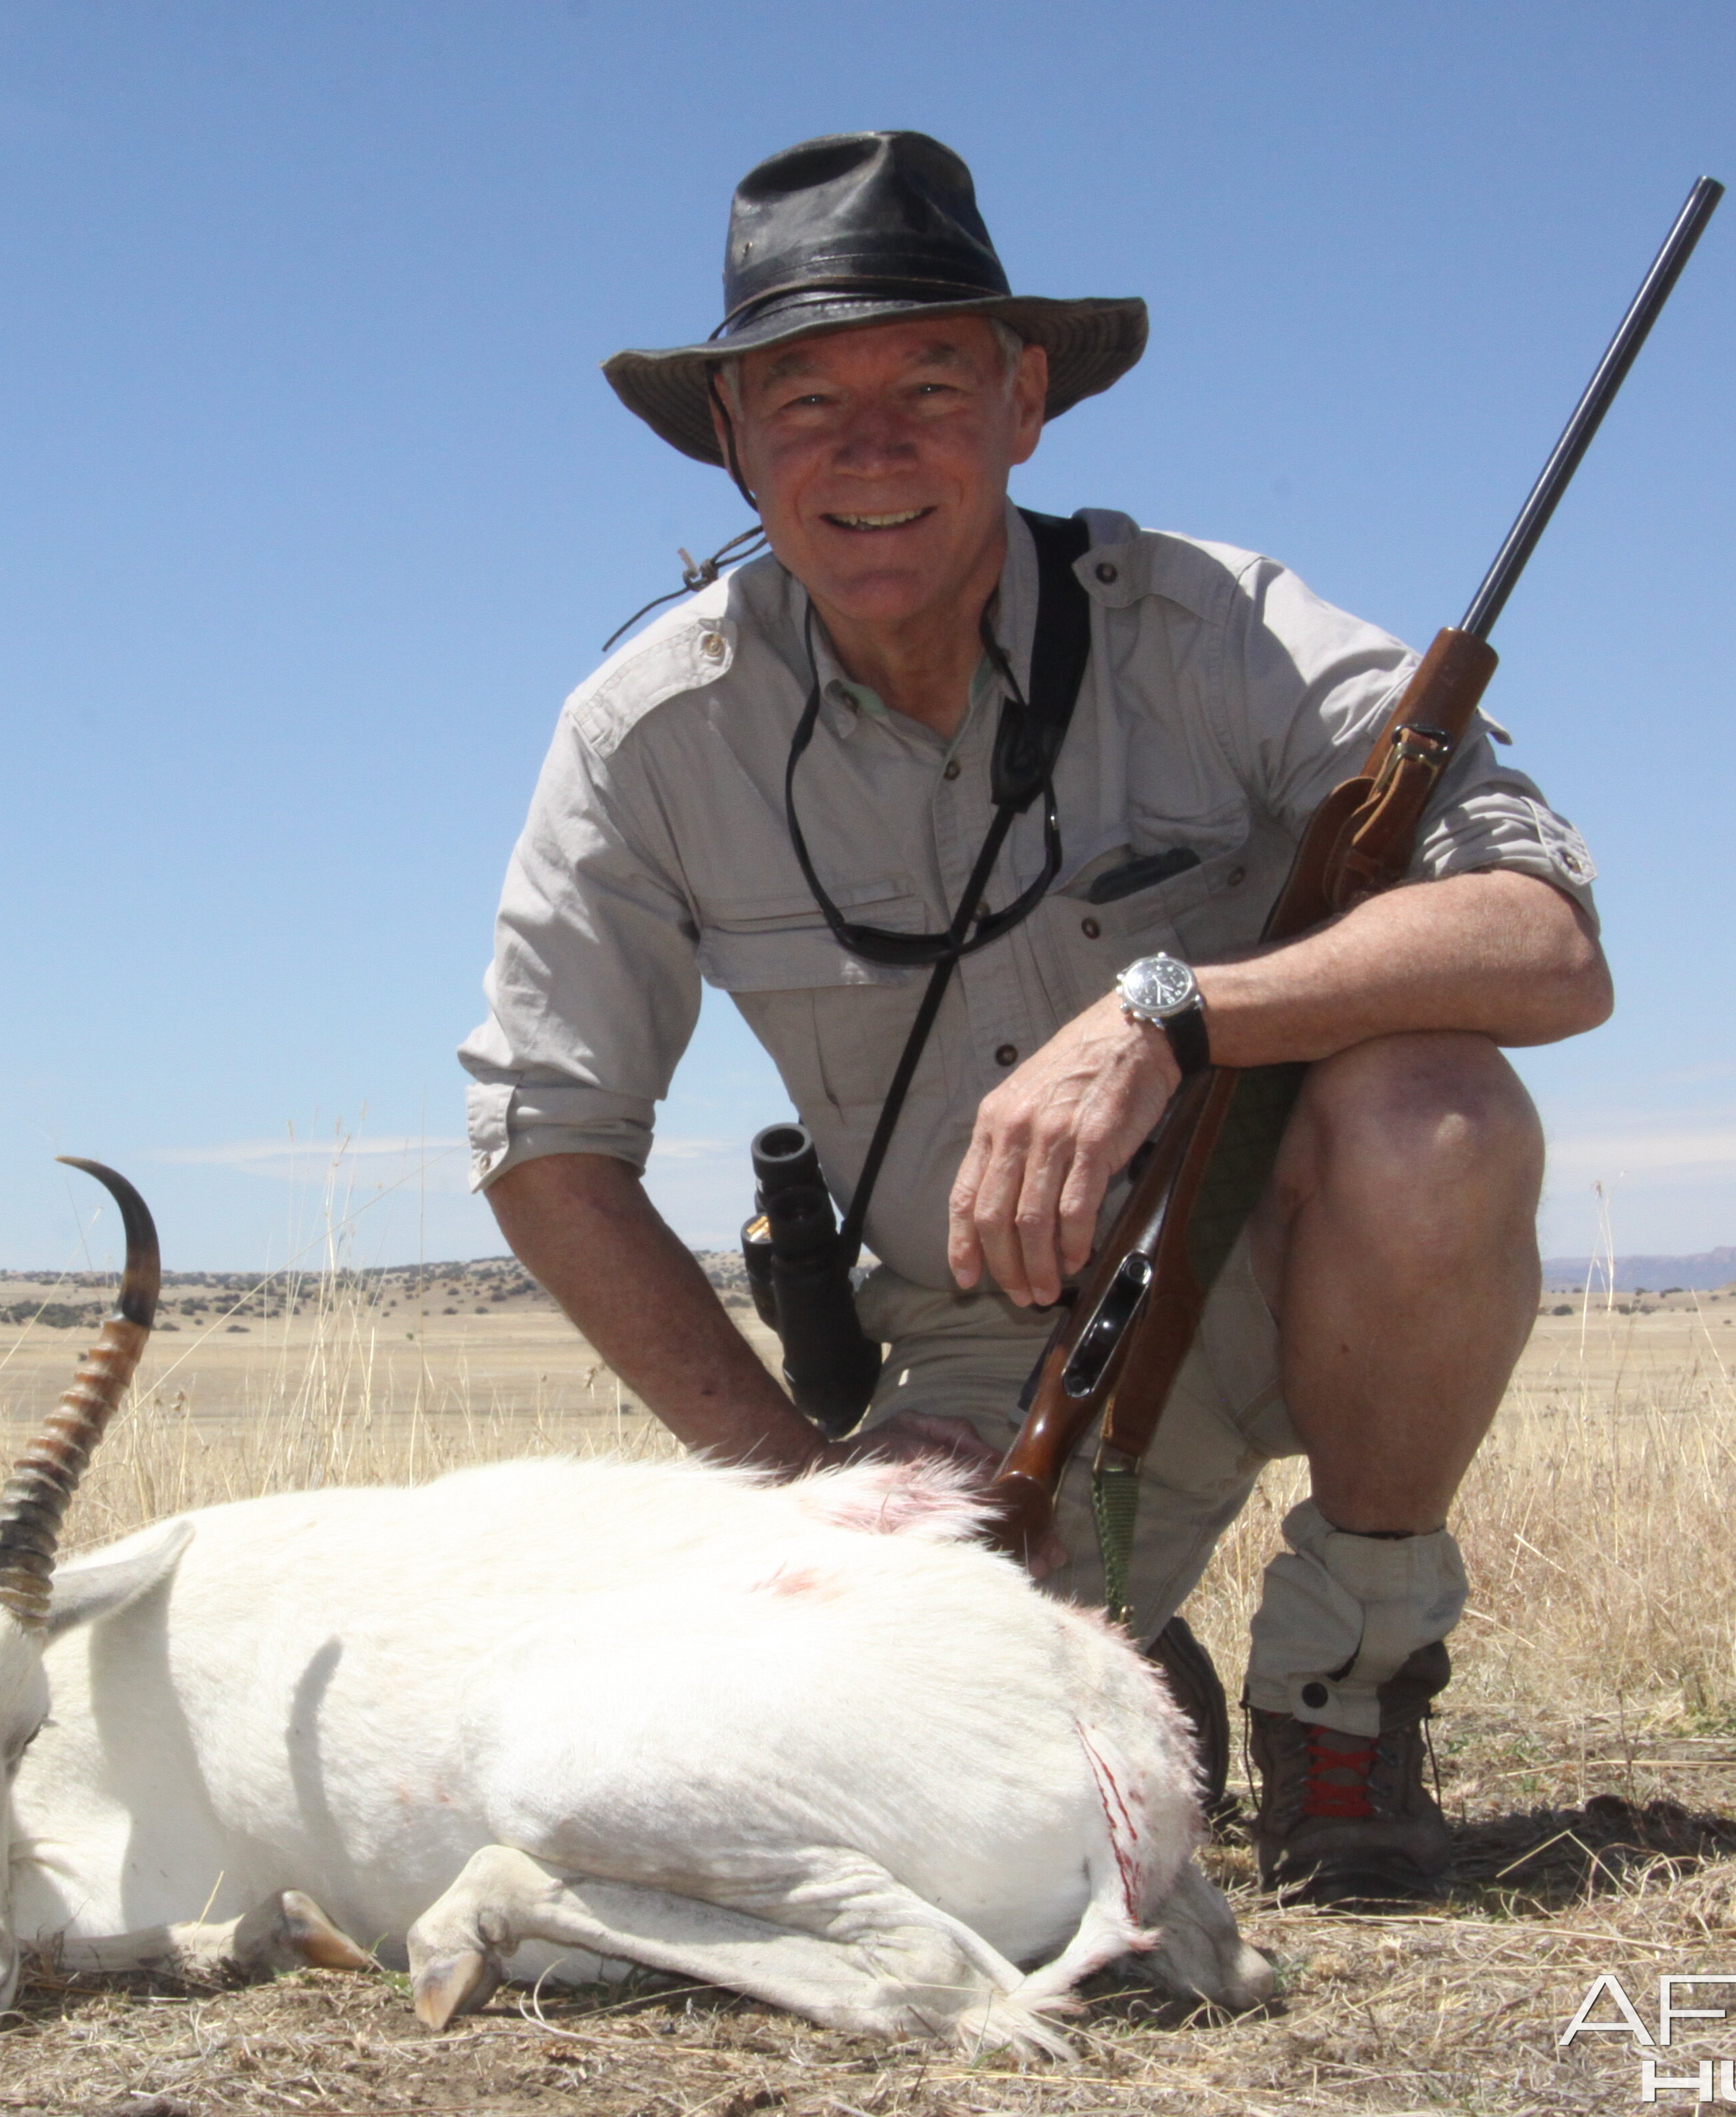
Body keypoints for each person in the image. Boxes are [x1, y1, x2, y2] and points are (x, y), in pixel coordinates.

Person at [458, 132, 1611, 1903]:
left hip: (1297, 1250)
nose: (871, 447)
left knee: (1435, 1114)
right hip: (989, 1360)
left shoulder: (1211, 626)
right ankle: (1125, 1668)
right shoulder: (644, 732)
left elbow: (1544, 947)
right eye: (804, 400)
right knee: (882, 1769)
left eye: (931, 382)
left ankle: (1352, 1692)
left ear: (1026, 403)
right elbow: (543, 1138)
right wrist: (790, 1486)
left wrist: (1175, 1009)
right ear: (737, 445)